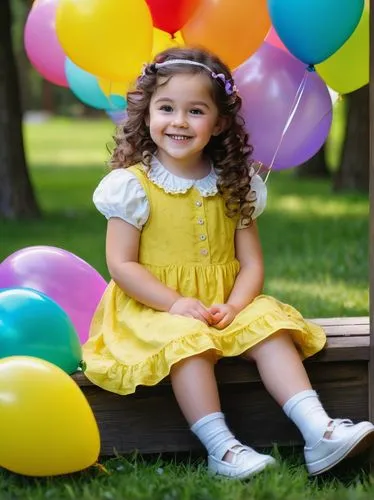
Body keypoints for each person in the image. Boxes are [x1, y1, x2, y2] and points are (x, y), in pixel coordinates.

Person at [83, 47, 374, 480]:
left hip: (224, 303)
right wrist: (175, 303)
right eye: (166, 108)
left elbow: (251, 263)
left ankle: (319, 430)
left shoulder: (236, 184)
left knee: (271, 328)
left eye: (195, 110)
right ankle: (223, 449)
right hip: (152, 307)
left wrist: (237, 306)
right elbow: (122, 265)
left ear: (218, 123)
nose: (179, 121)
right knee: (189, 341)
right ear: (146, 116)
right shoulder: (132, 186)